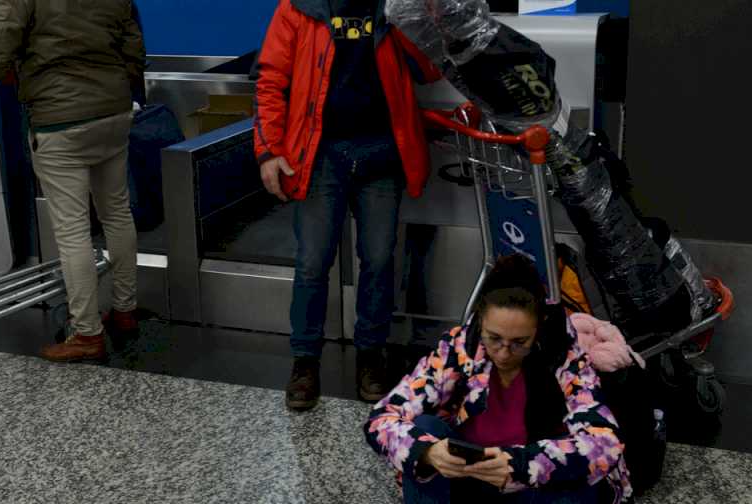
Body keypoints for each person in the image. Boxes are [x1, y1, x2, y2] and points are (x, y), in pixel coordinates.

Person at [0, 0, 146, 362]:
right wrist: (122, 90)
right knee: (116, 212)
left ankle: (87, 333)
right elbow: (132, 40)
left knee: (72, 230)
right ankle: (124, 311)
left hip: (61, 118)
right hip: (113, 111)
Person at [254, 0, 442, 411]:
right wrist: (268, 150)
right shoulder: (298, 6)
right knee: (312, 262)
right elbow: (271, 79)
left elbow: (431, 69)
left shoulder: (398, 6)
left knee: (378, 258)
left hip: (382, 152)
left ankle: (371, 355)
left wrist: (415, 17)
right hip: (319, 154)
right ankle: (305, 360)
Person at [364, 255, 633, 504]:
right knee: (426, 428)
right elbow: (380, 419)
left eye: (519, 342)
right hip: (467, 479)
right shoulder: (459, 347)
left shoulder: (564, 357)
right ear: (480, 321)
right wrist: (426, 452)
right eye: (494, 338)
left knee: (578, 484)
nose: (504, 353)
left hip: (532, 486)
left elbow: (605, 443)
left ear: (538, 328)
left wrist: (521, 464)